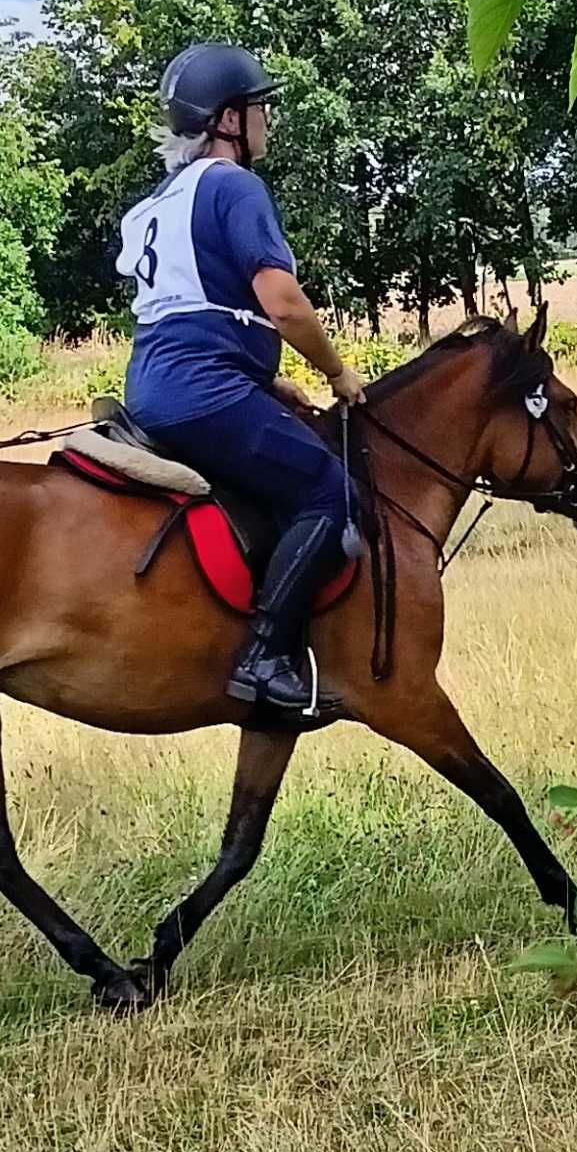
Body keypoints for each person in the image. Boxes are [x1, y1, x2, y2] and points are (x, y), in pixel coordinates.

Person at [116, 42, 363, 724]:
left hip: (154, 384)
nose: (268, 122)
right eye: (260, 109)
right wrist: (335, 372)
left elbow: (193, 306)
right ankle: (263, 660)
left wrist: (264, 378)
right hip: (205, 392)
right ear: (228, 120)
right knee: (327, 489)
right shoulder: (234, 187)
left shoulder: (159, 203)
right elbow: (282, 303)